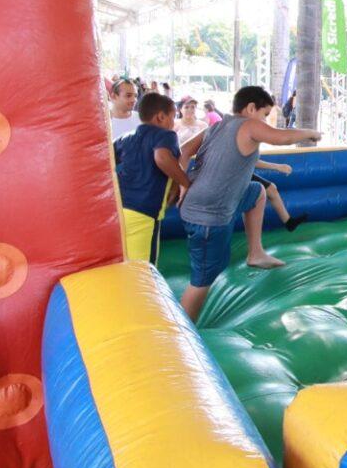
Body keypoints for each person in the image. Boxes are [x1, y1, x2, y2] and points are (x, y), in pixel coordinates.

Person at [176, 86, 321, 321]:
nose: (264, 122)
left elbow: (183, 151)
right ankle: (179, 334)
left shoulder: (216, 126)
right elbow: (281, 137)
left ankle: (256, 252)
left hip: (198, 205)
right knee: (202, 280)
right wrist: (311, 133)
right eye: (264, 115)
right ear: (251, 108)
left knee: (257, 192)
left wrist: (183, 183)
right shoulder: (248, 125)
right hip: (208, 216)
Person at [113, 92, 192, 265]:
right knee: (144, 269)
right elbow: (161, 157)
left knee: (124, 263)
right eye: (173, 117)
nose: (173, 123)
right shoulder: (165, 135)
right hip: (144, 211)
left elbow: (107, 159)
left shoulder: (125, 138)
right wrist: (185, 183)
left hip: (117, 209)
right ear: (160, 117)